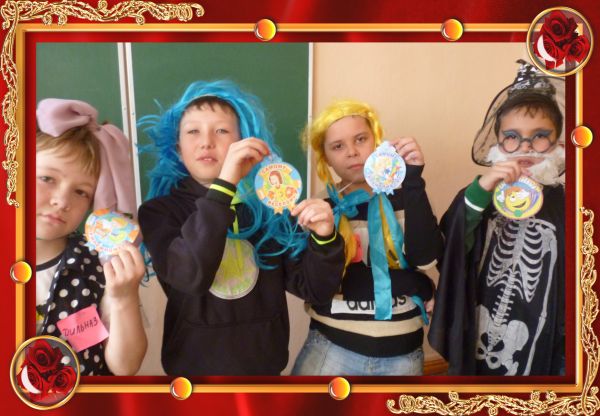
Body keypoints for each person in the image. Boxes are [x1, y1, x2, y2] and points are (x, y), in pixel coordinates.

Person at [137, 80, 345, 376]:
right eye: (193, 131)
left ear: (243, 142)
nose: (206, 142)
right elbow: (190, 276)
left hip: (264, 369)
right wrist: (225, 185)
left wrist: (325, 238)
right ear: (178, 150)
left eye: (221, 130)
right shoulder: (159, 212)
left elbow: (316, 289)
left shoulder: (269, 209)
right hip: (193, 374)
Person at [428, 60, 565, 375]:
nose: (526, 147)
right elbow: (453, 246)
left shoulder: (567, 201)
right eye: (512, 136)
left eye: (540, 136)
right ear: (498, 140)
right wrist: (481, 190)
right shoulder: (482, 194)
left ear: (557, 142)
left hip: (549, 336)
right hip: (482, 318)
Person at [292, 100, 443, 375]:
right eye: (338, 146)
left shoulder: (408, 197)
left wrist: (413, 181)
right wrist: (414, 282)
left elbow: (426, 258)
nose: (352, 152)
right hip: (331, 346)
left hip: (403, 352)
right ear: (326, 158)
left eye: (360, 139)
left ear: (376, 141)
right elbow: (325, 287)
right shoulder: (320, 211)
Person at [36, 99, 147, 376]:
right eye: (47, 178)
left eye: (81, 192)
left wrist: (123, 297)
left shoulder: (97, 264)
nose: (62, 201)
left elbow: (125, 367)